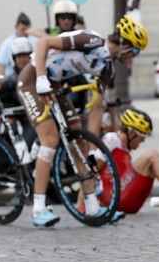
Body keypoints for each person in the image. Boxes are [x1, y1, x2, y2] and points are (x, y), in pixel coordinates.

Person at [16, 15, 148, 227]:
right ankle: (38, 208)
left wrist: (92, 146)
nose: (134, 56)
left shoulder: (107, 69)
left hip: (55, 84)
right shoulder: (91, 41)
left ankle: (92, 205)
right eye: (134, 51)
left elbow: (96, 108)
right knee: (50, 140)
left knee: (79, 141)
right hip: (33, 79)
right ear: (124, 43)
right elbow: (43, 42)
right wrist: (41, 79)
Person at [0, 12, 45, 79]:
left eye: (28, 29)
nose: (26, 32)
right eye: (23, 29)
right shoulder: (7, 44)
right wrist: (1, 83)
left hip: (32, 76)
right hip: (12, 79)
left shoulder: (34, 40)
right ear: (16, 27)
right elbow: (1, 65)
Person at [0, 37, 33, 108]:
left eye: (25, 56)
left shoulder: (36, 73)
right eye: (19, 56)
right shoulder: (12, 76)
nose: (22, 60)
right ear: (14, 59)